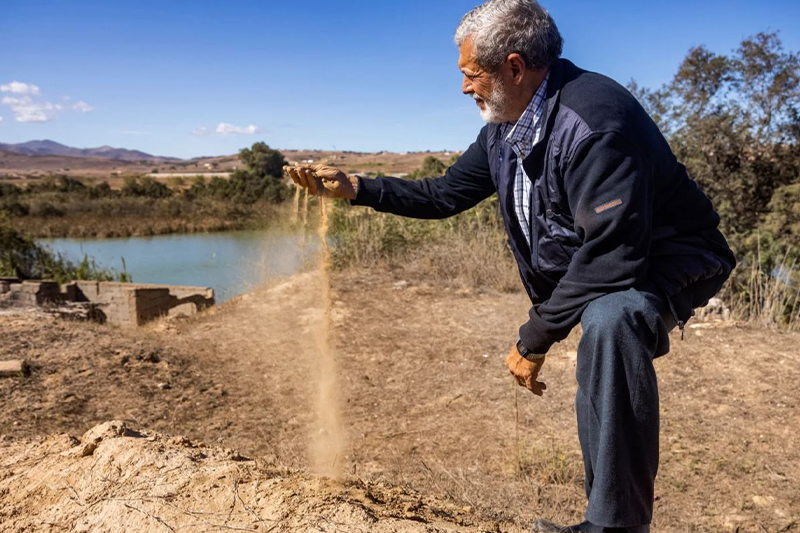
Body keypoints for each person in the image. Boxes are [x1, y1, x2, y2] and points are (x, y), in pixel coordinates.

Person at [285, 0, 736, 531]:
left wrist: (533, 338)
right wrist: (357, 187)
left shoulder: (596, 125)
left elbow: (613, 256)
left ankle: (615, 524)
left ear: (515, 68)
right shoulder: (506, 124)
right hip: (608, 258)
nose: (463, 88)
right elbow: (444, 193)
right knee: (602, 329)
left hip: (673, 254)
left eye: (470, 74)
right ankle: (607, 518)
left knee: (613, 321)